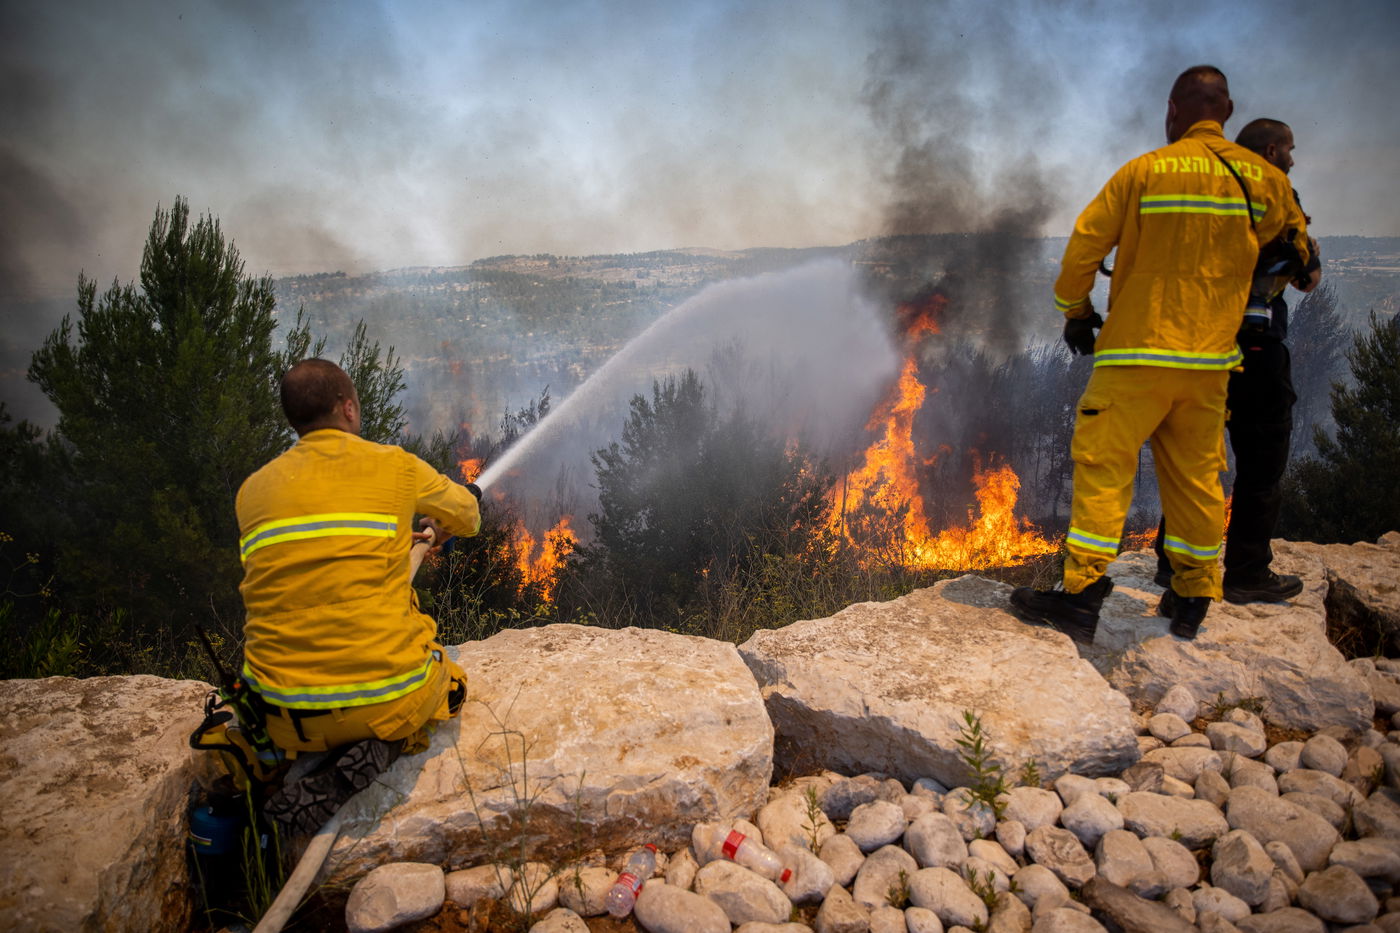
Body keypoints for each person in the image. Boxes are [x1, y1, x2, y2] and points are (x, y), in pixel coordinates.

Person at [1009, 66, 1311, 644]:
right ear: (1227, 109)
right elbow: (1294, 246)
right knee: (1197, 477)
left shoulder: (1144, 171)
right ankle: (1194, 594)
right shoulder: (1262, 179)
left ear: (1173, 111)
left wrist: (1077, 313)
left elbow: (1082, 249)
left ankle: (1080, 596)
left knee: (1104, 468)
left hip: (1136, 356)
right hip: (1209, 366)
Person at [236, 358, 482, 833]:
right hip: (381, 699)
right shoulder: (395, 466)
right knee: (450, 686)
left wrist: (391, 542)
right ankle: (369, 756)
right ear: (347, 408)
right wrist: (440, 523)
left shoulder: (252, 491)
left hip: (284, 717)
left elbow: (315, 560)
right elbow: (468, 515)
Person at [1154, 118, 1322, 607]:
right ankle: (1247, 571)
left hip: (1200, 349)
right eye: (1289, 149)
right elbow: (1306, 275)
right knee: (1261, 463)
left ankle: (1174, 564)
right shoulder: (1279, 198)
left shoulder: (1201, 196)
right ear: (1271, 150)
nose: (1293, 158)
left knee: (1196, 460)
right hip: (1257, 350)